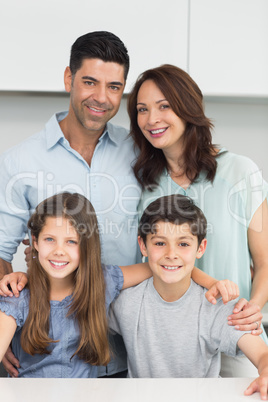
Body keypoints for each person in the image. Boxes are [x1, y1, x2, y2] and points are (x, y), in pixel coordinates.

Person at [0, 33, 234, 377]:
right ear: (69, 78)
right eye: (89, 82)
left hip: (127, 349)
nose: (101, 98)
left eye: (114, 86)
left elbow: (178, 205)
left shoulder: (140, 151)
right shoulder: (20, 161)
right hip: (45, 352)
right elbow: (2, 254)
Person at [127, 64, 268, 377]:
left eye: (164, 106)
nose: (152, 119)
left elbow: (265, 262)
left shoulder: (241, 172)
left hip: (238, 332)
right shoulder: (146, 187)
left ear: (187, 108)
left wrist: (252, 308)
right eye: (142, 109)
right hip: (175, 346)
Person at [109, 194, 268, 400]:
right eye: (159, 243)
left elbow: (263, 355)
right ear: (143, 245)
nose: (171, 254)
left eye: (183, 244)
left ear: (200, 248)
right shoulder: (126, 302)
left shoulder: (216, 305)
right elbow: (83, 318)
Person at [0, 192, 154, 377]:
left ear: (86, 246)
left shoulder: (102, 281)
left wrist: (199, 278)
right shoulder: (17, 297)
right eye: (50, 239)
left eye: (71, 242)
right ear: (36, 242)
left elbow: (161, 265)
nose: (59, 251)